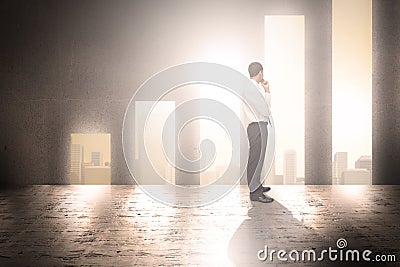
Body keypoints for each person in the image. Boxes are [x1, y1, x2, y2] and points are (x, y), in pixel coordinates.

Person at [242, 62, 273, 203]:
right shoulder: (251, 89)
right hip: (256, 126)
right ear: (260, 72)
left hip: (258, 125)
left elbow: (264, 108)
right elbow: (265, 110)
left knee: (258, 158)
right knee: (256, 158)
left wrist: (265, 90)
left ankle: (257, 186)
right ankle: (255, 193)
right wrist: (267, 92)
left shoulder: (254, 88)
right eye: (263, 73)